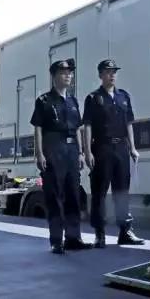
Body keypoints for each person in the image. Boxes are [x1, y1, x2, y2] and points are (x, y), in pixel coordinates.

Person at [30, 59, 92, 254]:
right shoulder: (44, 101)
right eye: (64, 72)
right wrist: (39, 153)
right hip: (53, 149)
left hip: (72, 151)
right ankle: (57, 240)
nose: (68, 76)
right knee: (55, 197)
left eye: (70, 73)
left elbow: (78, 129)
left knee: (73, 195)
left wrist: (81, 153)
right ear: (54, 75)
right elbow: (38, 128)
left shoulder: (73, 101)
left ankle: (73, 238)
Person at [83, 59, 145, 248]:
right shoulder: (93, 98)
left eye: (114, 72)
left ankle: (125, 232)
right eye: (108, 72)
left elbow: (129, 124)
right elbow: (87, 126)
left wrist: (132, 148)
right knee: (99, 192)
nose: (112, 75)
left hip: (121, 149)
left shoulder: (123, 96)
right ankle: (99, 233)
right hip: (101, 148)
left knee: (121, 191)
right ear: (101, 75)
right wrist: (87, 152)